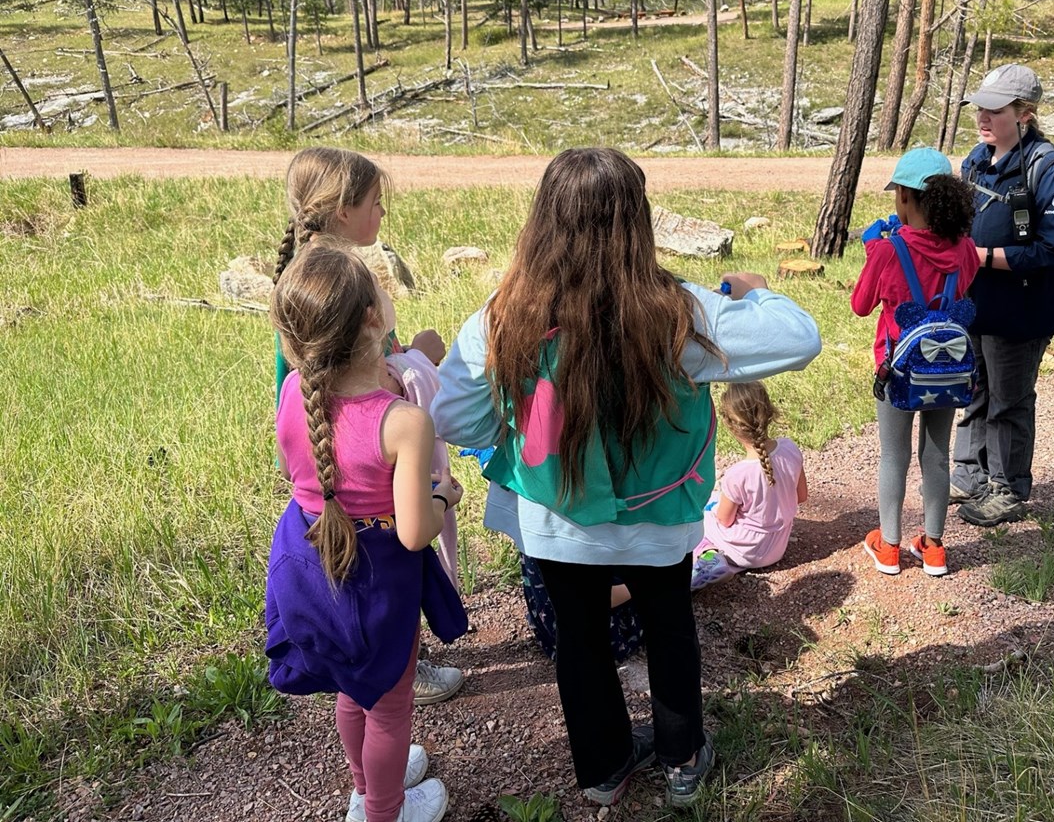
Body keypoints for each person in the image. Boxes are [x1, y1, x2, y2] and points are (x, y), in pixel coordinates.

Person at [433, 147, 821, 809]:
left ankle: (603, 770)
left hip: (554, 522)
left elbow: (453, 415)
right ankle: (682, 759)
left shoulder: (506, 316)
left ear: (544, 221)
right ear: (639, 220)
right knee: (670, 627)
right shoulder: (680, 313)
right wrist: (757, 289)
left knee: (578, 642)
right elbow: (800, 336)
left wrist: (518, 423)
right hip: (660, 519)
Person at [265, 243, 467, 822]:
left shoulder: (292, 396)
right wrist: (441, 496)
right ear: (375, 319)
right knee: (388, 705)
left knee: (352, 688)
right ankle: (383, 810)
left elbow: (293, 473)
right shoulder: (404, 422)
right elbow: (413, 534)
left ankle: (364, 786)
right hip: (377, 580)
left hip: (309, 559)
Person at [271, 146, 463, 703]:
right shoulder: (344, 284)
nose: (381, 215)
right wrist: (418, 363)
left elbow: (305, 383)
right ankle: (396, 657)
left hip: (328, 455)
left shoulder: (309, 282)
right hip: (366, 458)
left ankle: (371, 661)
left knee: (345, 591)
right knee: (375, 598)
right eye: (376, 204)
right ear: (341, 213)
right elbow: (363, 384)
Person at [950, 64, 1054, 527]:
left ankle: (1006, 489)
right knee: (975, 390)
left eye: (995, 110)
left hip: (1023, 312)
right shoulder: (975, 160)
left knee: (1009, 398)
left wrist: (981, 257)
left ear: (1024, 114)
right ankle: (969, 476)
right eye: (980, 107)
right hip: (976, 307)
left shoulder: (1049, 169)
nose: (982, 117)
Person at [851, 148, 979, 577]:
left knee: (893, 455)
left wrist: (876, 254)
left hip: (897, 367)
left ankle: (888, 547)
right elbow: (961, 285)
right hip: (947, 367)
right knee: (938, 453)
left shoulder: (889, 251)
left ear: (904, 196)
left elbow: (860, 305)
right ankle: (935, 547)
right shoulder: (965, 250)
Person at [691, 382, 809, 590]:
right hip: (777, 548)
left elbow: (724, 520)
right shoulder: (790, 449)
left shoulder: (738, 474)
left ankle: (708, 556)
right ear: (769, 411)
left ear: (730, 425)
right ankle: (720, 561)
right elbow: (801, 496)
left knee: (699, 518)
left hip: (746, 552)